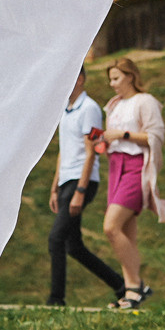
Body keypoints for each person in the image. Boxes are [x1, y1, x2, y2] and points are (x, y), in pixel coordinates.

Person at [44, 67, 123, 306]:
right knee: (73, 246)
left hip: (81, 181)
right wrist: (54, 186)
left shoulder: (89, 109)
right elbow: (63, 150)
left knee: (56, 239)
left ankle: (56, 300)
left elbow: (91, 153)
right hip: (66, 181)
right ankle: (120, 285)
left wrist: (80, 190)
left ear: (79, 79)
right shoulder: (65, 111)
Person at [97, 56, 165, 311]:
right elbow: (112, 137)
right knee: (126, 234)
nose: (112, 84)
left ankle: (137, 285)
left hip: (136, 167)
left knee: (110, 226)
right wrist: (103, 142)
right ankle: (131, 293)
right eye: (110, 80)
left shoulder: (145, 101)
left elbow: (155, 136)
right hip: (116, 166)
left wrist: (123, 134)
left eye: (116, 78)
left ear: (129, 76)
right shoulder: (113, 105)